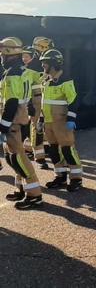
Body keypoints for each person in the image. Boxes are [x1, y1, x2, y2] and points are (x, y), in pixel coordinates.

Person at [0, 37, 43, 209]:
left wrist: (3, 125)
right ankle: (21, 189)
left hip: (13, 122)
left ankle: (34, 195)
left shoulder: (12, 74)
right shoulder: (21, 71)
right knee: (13, 158)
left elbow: (11, 102)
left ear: (9, 54)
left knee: (18, 158)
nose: (1, 57)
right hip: (20, 120)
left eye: (2, 54)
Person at [40, 48, 83, 191]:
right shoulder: (46, 81)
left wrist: (71, 118)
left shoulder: (66, 80)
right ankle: (60, 177)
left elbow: (74, 100)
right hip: (49, 122)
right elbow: (44, 102)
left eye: (45, 63)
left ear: (53, 64)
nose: (43, 66)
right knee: (53, 152)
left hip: (62, 122)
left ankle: (76, 179)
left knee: (67, 150)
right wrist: (41, 120)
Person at [22, 46, 49, 169]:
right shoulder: (40, 68)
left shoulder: (30, 70)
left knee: (36, 128)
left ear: (33, 56)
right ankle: (39, 157)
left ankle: (37, 156)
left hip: (39, 101)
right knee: (36, 128)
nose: (23, 59)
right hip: (37, 101)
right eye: (22, 56)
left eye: (26, 56)